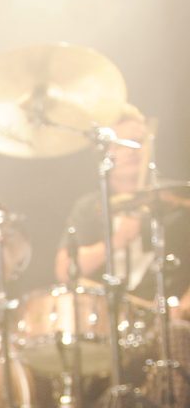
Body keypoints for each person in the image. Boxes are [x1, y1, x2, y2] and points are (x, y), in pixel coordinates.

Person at [53, 103, 190, 405]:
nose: (132, 151)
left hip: (166, 324)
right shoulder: (89, 207)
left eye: (139, 143)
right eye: (123, 144)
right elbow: (66, 270)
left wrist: (184, 305)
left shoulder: (178, 204)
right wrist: (117, 240)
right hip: (108, 326)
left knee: (178, 338)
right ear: (105, 153)